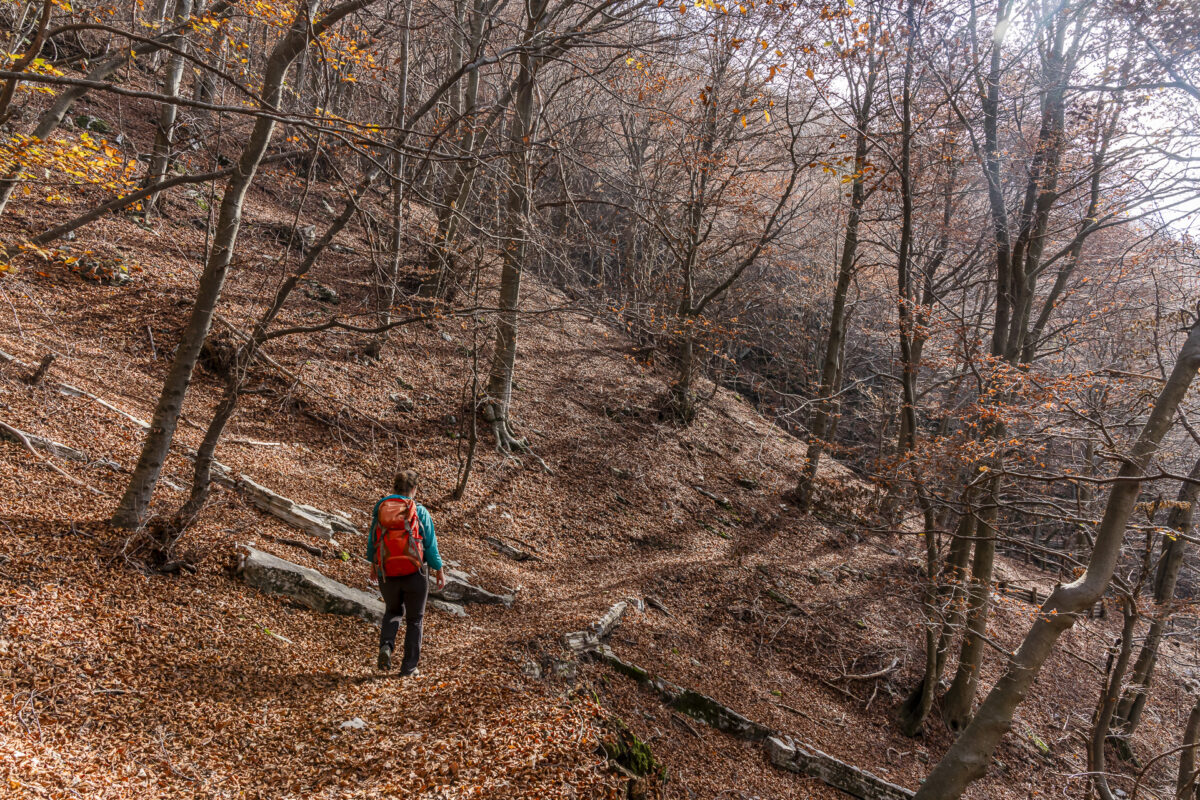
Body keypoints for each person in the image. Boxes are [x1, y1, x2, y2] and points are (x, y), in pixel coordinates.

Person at [366, 470, 445, 675]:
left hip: (388, 572)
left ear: (394, 488)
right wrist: (439, 569)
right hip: (415, 572)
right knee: (415, 619)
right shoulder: (419, 511)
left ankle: (386, 646)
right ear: (414, 489)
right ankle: (409, 668)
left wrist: (374, 564)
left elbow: (373, 541)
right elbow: (430, 544)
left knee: (392, 611)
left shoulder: (382, 509)